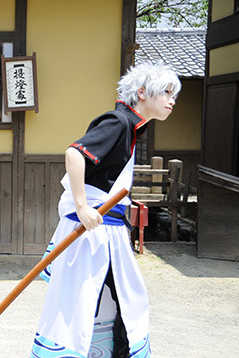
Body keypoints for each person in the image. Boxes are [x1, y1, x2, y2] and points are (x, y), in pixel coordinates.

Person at [30, 63, 181, 358]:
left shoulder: (132, 128)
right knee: (84, 302)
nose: (171, 100)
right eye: (166, 92)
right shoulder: (118, 122)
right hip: (91, 231)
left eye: (172, 94)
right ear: (141, 93)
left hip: (106, 232)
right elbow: (74, 154)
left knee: (116, 299)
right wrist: (83, 207)